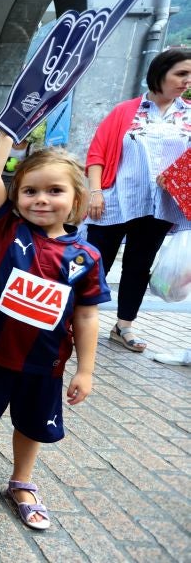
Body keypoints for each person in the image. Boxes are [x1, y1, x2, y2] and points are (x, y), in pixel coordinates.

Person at [0, 135, 110, 531]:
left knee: (32, 424)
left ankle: (21, 479)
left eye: (54, 191)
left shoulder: (86, 257)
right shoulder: (9, 228)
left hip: (46, 363)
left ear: (76, 199)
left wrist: (85, 370)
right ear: (16, 195)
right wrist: (8, 132)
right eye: (30, 190)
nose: (41, 199)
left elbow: (86, 318)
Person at [84, 48, 191, 353]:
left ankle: (123, 326)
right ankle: (73, 320)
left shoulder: (189, 114)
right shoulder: (126, 110)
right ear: (160, 73)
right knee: (94, 263)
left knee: (138, 265)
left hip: (160, 205)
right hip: (114, 200)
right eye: (181, 74)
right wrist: (95, 191)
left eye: (190, 75)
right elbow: (97, 153)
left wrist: (176, 176)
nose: (187, 81)